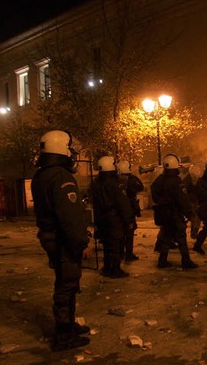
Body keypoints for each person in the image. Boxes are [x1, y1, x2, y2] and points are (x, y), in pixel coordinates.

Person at [31, 130, 91, 351]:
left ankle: (68, 325)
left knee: (68, 282)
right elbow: (70, 218)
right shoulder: (61, 177)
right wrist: (82, 242)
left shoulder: (41, 175)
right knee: (66, 285)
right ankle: (64, 335)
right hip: (63, 240)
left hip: (51, 237)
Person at [151, 154, 199, 269]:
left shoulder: (158, 181)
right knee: (181, 237)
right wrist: (190, 214)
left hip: (163, 214)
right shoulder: (176, 182)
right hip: (174, 214)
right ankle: (186, 261)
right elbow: (183, 199)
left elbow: (155, 196)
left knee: (166, 237)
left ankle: (162, 261)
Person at [90, 156, 135, 278]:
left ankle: (107, 267)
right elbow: (123, 204)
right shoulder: (115, 184)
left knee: (107, 244)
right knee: (115, 244)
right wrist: (129, 220)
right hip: (113, 219)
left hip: (101, 218)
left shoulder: (96, 183)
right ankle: (115, 269)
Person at [116, 160, 144, 262]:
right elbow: (141, 186)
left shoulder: (117, 180)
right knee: (129, 232)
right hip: (130, 209)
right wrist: (133, 175)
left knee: (122, 232)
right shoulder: (130, 180)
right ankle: (128, 254)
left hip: (120, 209)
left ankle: (121, 253)